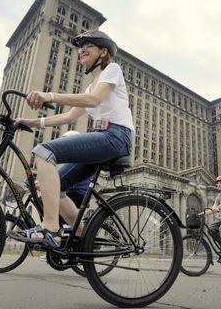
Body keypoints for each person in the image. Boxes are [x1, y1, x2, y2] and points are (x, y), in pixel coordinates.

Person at [11, 30, 134, 248]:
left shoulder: (112, 70)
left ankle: (50, 227)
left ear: (103, 52)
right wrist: (32, 123)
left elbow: (94, 100)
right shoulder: (89, 86)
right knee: (58, 187)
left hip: (116, 135)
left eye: (88, 45)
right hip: (102, 137)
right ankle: (84, 238)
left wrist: (49, 95)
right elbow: (69, 116)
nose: (82, 50)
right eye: (80, 47)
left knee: (43, 151)